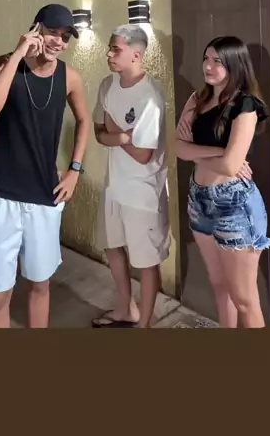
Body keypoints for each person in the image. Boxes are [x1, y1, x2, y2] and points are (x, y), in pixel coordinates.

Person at [0, 4, 91, 329]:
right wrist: (18, 55)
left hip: (44, 197)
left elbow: (84, 120)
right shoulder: (0, 66)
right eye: (53, 32)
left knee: (40, 287)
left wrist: (74, 170)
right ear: (36, 28)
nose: (59, 42)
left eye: (66, 37)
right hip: (0, 198)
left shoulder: (70, 78)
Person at [175, 35, 270, 329]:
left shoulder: (245, 105)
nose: (208, 66)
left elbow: (230, 167)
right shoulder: (197, 99)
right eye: (206, 59)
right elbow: (178, 148)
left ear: (234, 64)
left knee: (244, 299)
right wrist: (221, 152)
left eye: (217, 61)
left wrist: (198, 153)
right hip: (199, 201)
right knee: (219, 286)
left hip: (235, 205)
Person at [92, 25, 170, 329]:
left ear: (136, 55)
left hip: (143, 193)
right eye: (110, 48)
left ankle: (144, 325)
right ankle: (126, 308)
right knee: (112, 246)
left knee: (146, 261)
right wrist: (123, 136)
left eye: (116, 49)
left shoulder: (150, 96)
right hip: (114, 186)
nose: (109, 54)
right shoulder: (107, 85)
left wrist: (116, 134)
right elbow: (100, 133)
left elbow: (143, 154)